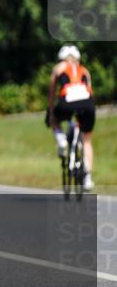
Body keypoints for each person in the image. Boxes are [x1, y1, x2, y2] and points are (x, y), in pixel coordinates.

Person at [48, 45, 96, 191]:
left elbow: (52, 90)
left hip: (66, 101)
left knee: (54, 119)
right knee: (87, 139)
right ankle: (87, 177)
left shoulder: (59, 67)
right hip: (87, 104)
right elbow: (90, 92)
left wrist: (51, 110)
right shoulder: (85, 70)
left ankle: (61, 140)